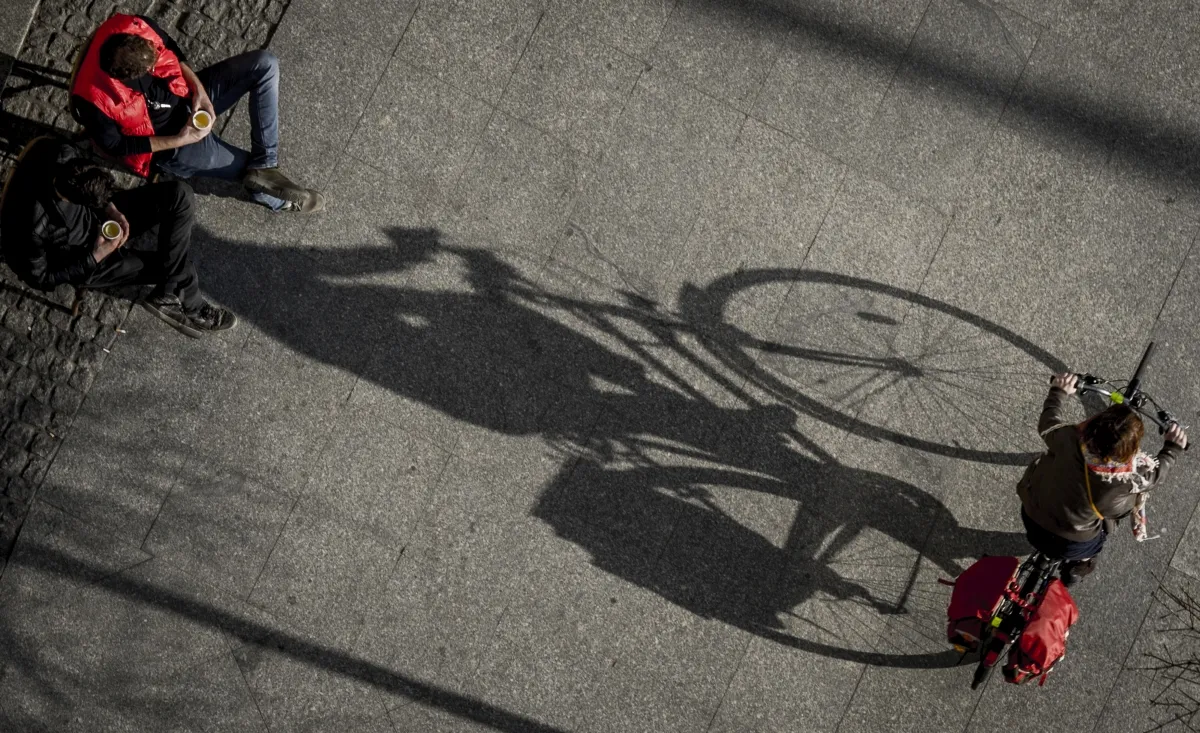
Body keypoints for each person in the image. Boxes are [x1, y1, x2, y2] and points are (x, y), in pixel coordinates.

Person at [69, 13, 323, 213]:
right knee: (248, 173)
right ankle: (273, 197)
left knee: (264, 64)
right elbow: (116, 146)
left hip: (187, 95)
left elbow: (172, 48)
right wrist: (182, 139)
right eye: (147, 69)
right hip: (173, 144)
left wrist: (199, 90)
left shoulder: (136, 25)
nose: (154, 67)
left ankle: (265, 164)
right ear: (125, 77)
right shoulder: (93, 102)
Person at [0, 139, 235, 338]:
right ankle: (187, 302)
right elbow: (42, 278)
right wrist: (98, 254)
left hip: (100, 217)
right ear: (71, 200)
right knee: (181, 267)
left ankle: (167, 291)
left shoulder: (65, 157)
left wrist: (110, 208)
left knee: (180, 195)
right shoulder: (33, 226)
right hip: (86, 258)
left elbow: (95, 186)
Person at [1017, 372, 1187, 585]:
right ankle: (1079, 566)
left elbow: (1048, 422)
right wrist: (1172, 448)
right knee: (1103, 528)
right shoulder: (1129, 479)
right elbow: (1155, 477)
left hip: (1030, 516)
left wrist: (1058, 392)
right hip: (1072, 544)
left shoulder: (1068, 437)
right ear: (1130, 450)